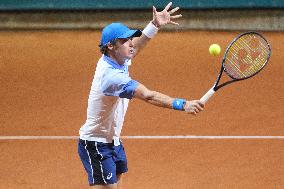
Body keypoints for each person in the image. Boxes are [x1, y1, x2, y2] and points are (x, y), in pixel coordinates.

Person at [78, 2, 204, 189]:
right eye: (125, 40)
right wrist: (182, 104)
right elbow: (148, 95)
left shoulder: (116, 58)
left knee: (117, 180)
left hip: (113, 139)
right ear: (111, 46)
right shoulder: (112, 77)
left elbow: (135, 47)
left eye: (130, 39)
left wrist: (155, 25)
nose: (130, 43)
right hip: (97, 144)